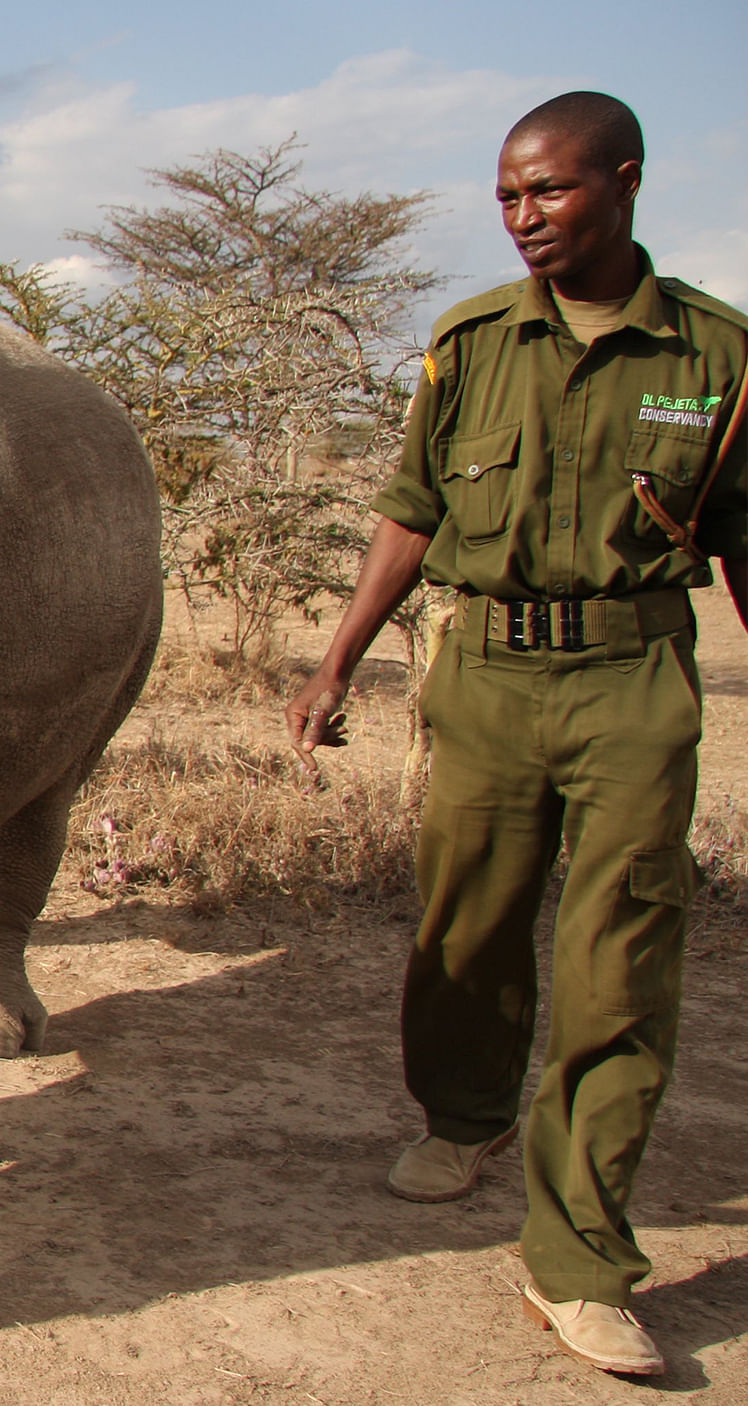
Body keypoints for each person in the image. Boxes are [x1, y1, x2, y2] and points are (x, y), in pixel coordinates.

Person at [286, 91, 748, 1378]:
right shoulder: (469, 340)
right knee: (465, 925)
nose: (523, 216)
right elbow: (411, 510)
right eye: (506, 195)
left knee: (620, 963)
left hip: (631, 679)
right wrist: (337, 659)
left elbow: (742, 536)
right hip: (484, 672)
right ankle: (465, 1115)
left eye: (548, 189)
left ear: (624, 181)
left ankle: (580, 1258)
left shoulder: (715, 354)